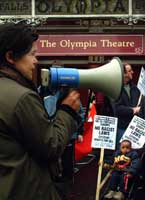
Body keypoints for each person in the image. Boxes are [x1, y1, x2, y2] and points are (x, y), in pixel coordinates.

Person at [0, 23, 81, 199]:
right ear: (10, 57)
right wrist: (67, 111)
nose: (36, 61)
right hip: (25, 190)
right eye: (32, 55)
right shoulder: (22, 98)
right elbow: (51, 145)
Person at [115, 63, 140, 147]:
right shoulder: (115, 89)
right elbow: (117, 108)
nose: (132, 72)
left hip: (134, 127)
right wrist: (133, 110)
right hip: (121, 127)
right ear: (123, 73)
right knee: (122, 153)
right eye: (130, 71)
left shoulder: (135, 88)